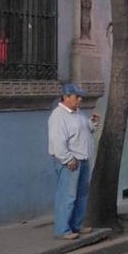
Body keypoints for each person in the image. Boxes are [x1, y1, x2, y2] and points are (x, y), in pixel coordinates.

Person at [48, 83, 100, 240]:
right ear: (65, 97)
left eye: (80, 97)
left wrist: (92, 122)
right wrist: (67, 159)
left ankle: (76, 225)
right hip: (70, 161)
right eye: (76, 96)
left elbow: (85, 130)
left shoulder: (78, 113)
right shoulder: (58, 116)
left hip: (83, 158)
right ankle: (63, 229)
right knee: (67, 195)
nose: (80, 99)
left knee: (81, 195)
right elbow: (57, 142)